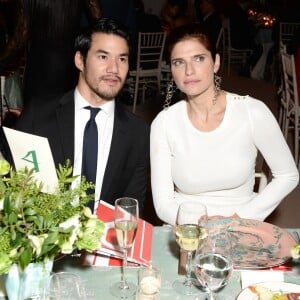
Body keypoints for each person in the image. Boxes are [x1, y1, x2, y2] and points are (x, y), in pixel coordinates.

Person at [150, 22, 299, 226]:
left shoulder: (251, 112)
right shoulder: (164, 123)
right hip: (185, 227)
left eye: (199, 58)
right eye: (178, 62)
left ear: (216, 62)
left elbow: (288, 175)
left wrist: (237, 220)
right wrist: (197, 225)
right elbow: (163, 203)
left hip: (240, 224)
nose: (189, 71)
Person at [15, 18, 150, 213]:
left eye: (122, 58)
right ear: (80, 60)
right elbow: (14, 184)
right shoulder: (39, 115)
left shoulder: (137, 132)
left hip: (105, 239)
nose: (114, 69)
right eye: (103, 57)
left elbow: (130, 208)